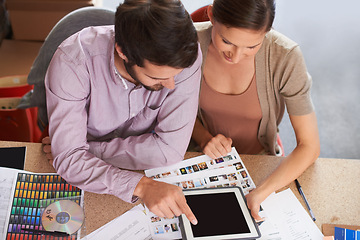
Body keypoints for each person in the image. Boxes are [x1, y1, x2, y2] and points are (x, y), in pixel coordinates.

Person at [45, 0, 201, 225]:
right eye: (157, 78)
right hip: (100, 184)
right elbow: (69, 160)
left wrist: (79, 154)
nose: (171, 86)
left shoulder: (186, 56)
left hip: (108, 168)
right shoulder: (72, 62)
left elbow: (170, 150)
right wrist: (142, 186)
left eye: (175, 75)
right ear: (123, 52)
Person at [191, 0, 320, 221]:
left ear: (267, 31)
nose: (236, 56)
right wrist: (203, 138)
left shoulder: (285, 56)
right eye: (226, 41)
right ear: (211, 16)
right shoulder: (189, 43)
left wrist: (262, 191)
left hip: (260, 160)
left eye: (252, 46)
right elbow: (168, 110)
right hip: (197, 155)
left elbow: (309, 145)